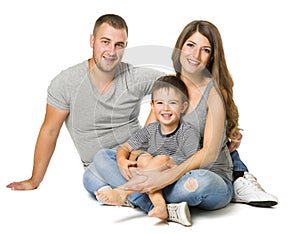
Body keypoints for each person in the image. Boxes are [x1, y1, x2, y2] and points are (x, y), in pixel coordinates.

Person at [6, 13, 276, 217]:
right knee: (98, 165)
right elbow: (146, 133)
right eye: (191, 46)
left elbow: (205, 151)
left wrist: (229, 130)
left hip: (196, 172)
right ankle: (162, 204)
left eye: (205, 50)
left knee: (196, 183)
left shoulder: (209, 92)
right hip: (157, 165)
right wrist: (128, 159)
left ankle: (233, 176)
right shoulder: (169, 85)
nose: (195, 55)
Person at [95, 75, 200, 223]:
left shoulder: (187, 132)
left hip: (172, 177)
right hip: (150, 177)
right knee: (114, 157)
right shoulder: (151, 129)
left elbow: (194, 162)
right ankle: (160, 206)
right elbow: (125, 147)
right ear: (152, 106)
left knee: (160, 159)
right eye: (160, 103)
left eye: (172, 103)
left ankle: (124, 192)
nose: (165, 108)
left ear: (183, 106)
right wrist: (122, 160)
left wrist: (162, 168)